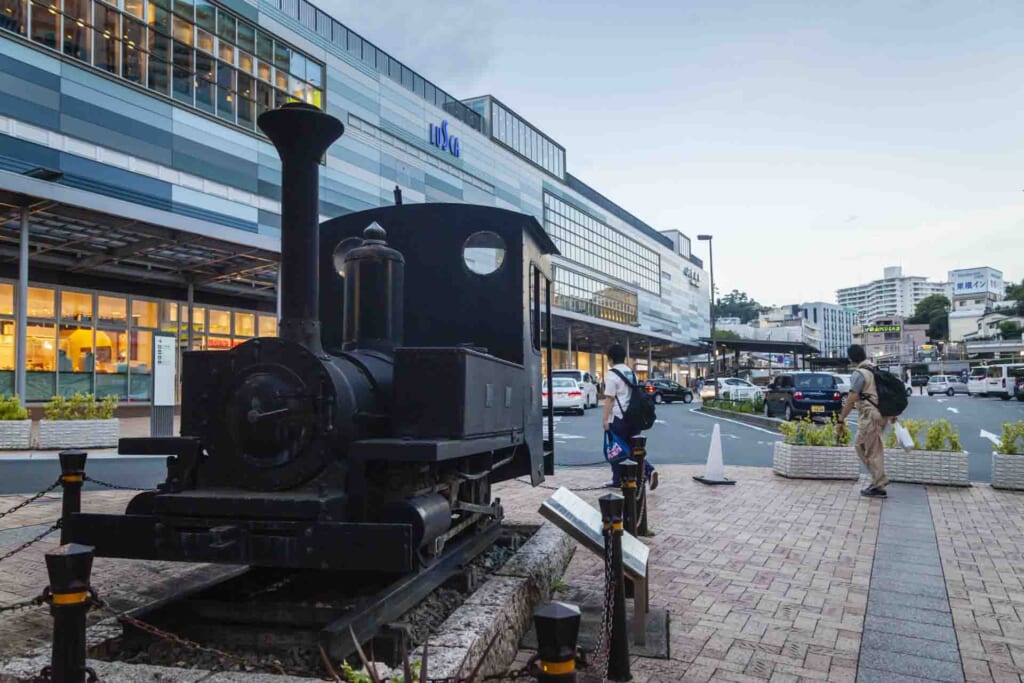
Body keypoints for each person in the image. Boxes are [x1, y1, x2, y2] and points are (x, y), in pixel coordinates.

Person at [837, 344, 894, 498]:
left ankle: (879, 485)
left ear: (851, 358)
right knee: (863, 446)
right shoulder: (874, 369)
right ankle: (878, 479)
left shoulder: (860, 373)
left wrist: (841, 419)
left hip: (871, 416)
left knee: (872, 450)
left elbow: (851, 399)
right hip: (879, 414)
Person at [602, 343, 658, 490]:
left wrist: (605, 420)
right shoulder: (631, 372)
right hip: (634, 417)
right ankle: (644, 474)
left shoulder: (612, 374)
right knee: (634, 450)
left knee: (617, 449)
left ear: (611, 359)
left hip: (619, 417)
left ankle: (624, 478)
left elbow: (609, 399)